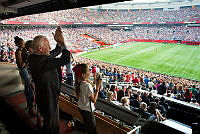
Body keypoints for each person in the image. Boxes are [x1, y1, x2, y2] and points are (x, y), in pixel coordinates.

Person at [28, 26, 71, 134]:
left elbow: (55, 52)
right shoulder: (41, 62)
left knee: (49, 122)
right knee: (52, 125)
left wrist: (58, 43)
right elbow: (65, 59)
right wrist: (63, 43)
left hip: (45, 95)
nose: (50, 46)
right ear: (40, 48)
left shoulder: (36, 57)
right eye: (47, 45)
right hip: (48, 97)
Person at [73, 64, 102, 134]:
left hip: (81, 108)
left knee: (87, 126)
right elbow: (93, 100)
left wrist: (95, 80)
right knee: (92, 130)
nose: (90, 71)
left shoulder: (79, 82)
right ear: (83, 74)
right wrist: (97, 89)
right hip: (88, 111)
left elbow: (90, 87)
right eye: (88, 70)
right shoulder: (87, 85)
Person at [14, 36, 35, 116]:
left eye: (23, 42)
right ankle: (30, 109)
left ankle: (29, 106)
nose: (23, 44)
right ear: (17, 44)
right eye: (21, 43)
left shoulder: (25, 50)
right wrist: (27, 59)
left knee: (28, 88)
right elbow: (21, 65)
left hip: (27, 70)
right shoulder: (18, 52)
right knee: (29, 89)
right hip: (24, 71)